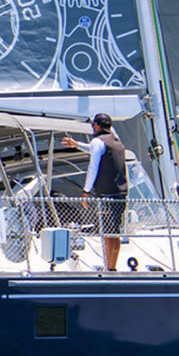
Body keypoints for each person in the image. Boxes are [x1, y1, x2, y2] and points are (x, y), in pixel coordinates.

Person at [63, 113, 128, 271]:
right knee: (114, 232)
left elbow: (93, 167)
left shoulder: (98, 141)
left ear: (97, 125)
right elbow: (95, 149)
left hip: (106, 195)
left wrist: (86, 190)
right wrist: (76, 144)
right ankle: (112, 267)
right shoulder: (117, 142)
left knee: (107, 233)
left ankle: (110, 269)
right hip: (120, 193)